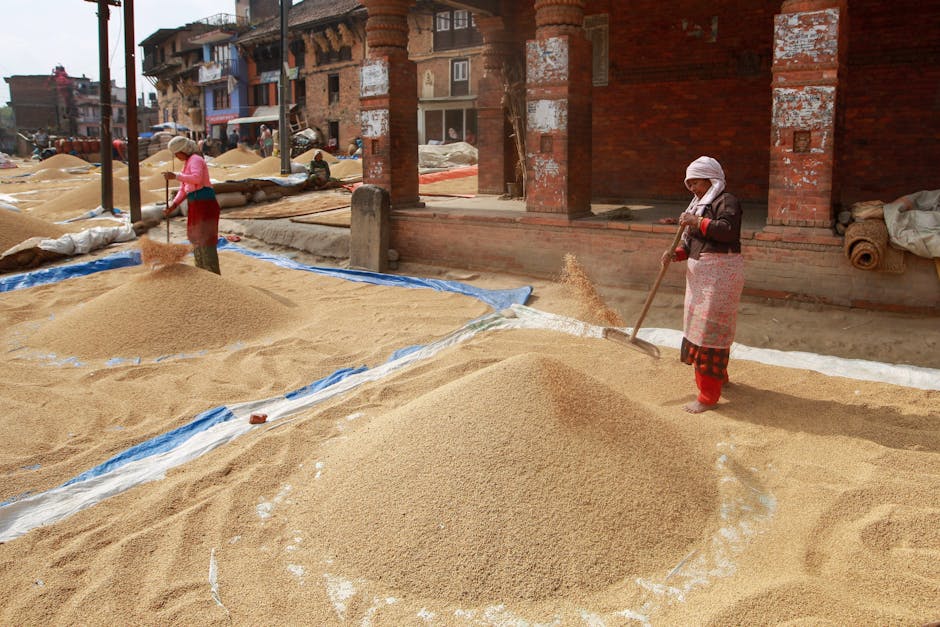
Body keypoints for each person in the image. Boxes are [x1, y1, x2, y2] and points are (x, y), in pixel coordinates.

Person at [661, 156, 744, 414]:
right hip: (699, 278)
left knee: (711, 331)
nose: (693, 188)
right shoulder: (697, 205)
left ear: (711, 179)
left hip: (721, 277)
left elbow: (727, 230)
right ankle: (720, 376)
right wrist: (675, 254)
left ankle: (708, 395)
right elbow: (690, 244)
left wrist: (695, 221)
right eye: (690, 184)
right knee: (701, 328)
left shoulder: (726, 201)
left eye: (696, 183)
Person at [163, 136, 222, 275]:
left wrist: (176, 176)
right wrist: (174, 204)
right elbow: (184, 189)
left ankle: (212, 274)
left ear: (183, 150)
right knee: (195, 237)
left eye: (177, 153)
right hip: (195, 204)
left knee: (206, 239)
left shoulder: (196, 160)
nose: (176, 156)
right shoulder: (187, 163)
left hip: (205, 204)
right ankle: (201, 271)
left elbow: (196, 179)